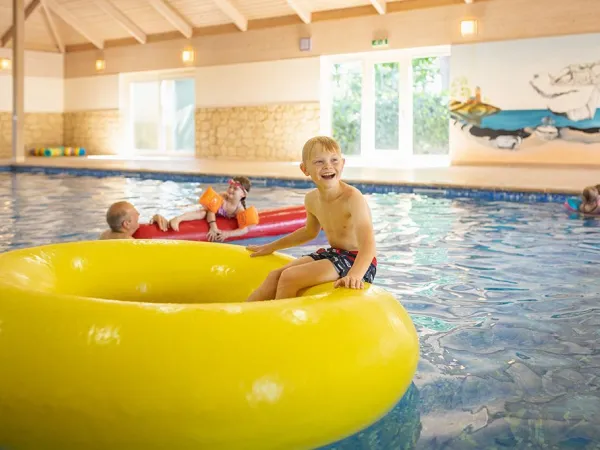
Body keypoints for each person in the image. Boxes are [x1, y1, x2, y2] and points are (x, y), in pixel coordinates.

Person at [246, 136, 377, 302]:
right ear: (304, 169)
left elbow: (368, 244)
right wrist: (271, 247)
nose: (328, 166)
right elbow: (309, 232)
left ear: (342, 164)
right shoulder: (311, 199)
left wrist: (355, 275)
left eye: (334, 160)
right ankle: (240, 315)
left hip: (358, 260)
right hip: (335, 254)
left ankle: (281, 323)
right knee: (275, 275)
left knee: (290, 277)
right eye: (319, 162)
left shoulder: (352, 198)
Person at [169, 176, 253, 242]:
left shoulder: (239, 210)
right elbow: (211, 211)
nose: (231, 189)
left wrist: (227, 234)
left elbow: (244, 229)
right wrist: (213, 227)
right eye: (230, 187)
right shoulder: (222, 197)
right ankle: (178, 219)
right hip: (208, 210)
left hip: (216, 214)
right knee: (202, 213)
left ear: (243, 194)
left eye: (235, 188)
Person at [99, 201, 169, 240]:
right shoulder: (129, 242)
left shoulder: (104, 235)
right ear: (126, 224)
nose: (138, 214)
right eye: (135, 213)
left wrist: (153, 220)